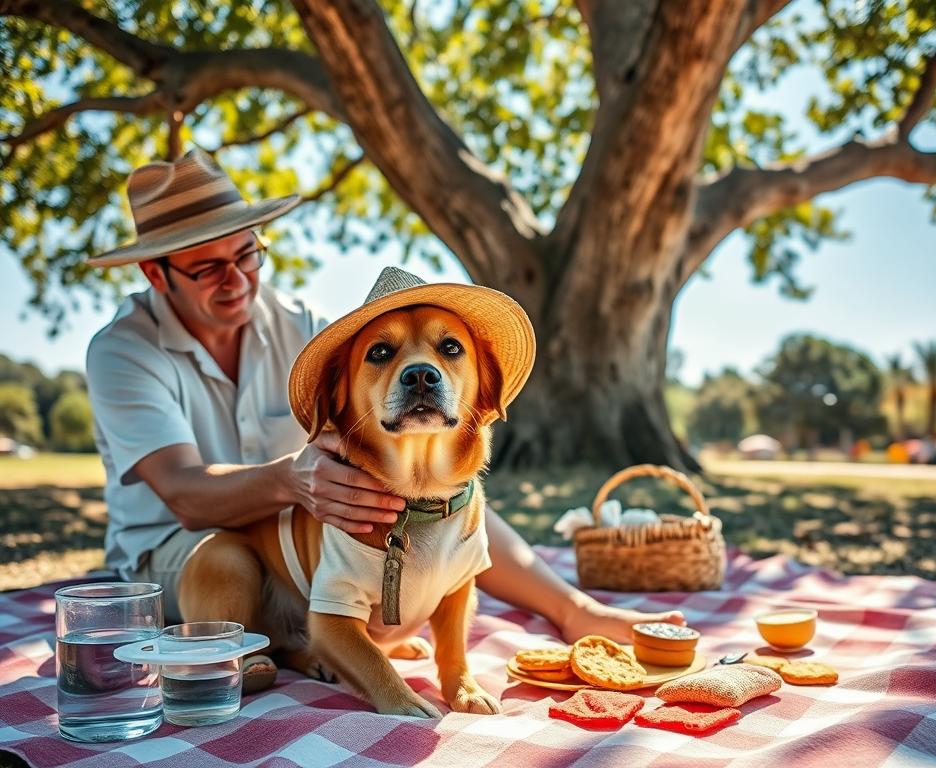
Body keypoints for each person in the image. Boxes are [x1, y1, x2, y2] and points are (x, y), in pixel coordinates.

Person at [85, 149, 684, 658]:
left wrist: (570, 606)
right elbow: (187, 496)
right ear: (156, 274)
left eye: (247, 255)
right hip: (174, 551)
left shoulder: (306, 330)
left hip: (293, 539)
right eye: (208, 268)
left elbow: (446, 503)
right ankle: (288, 647)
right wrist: (294, 482)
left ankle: (570, 610)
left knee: (433, 492)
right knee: (226, 565)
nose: (237, 280)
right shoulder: (123, 351)